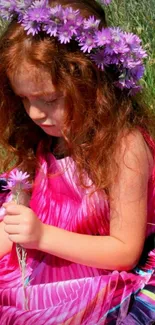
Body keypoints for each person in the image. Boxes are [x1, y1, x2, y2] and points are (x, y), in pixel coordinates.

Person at [0, 0, 154, 323]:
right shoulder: (48, 136)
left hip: (96, 277)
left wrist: (42, 236)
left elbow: (125, 250)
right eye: (25, 99)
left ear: (90, 83)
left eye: (50, 99)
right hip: (44, 261)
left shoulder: (124, 147)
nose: (35, 113)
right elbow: (20, 213)